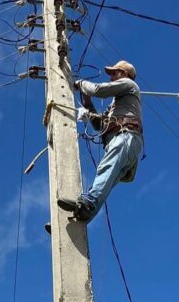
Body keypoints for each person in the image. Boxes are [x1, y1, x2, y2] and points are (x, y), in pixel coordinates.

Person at [45, 60, 143, 233]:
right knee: (106, 180)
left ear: (125, 74)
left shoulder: (129, 84)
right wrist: (88, 107)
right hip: (122, 140)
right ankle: (77, 218)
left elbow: (99, 90)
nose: (112, 76)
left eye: (115, 73)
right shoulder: (117, 104)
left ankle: (88, 202)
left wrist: (79, 84)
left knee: (105, 171)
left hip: (126, 136)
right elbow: (99, 125)